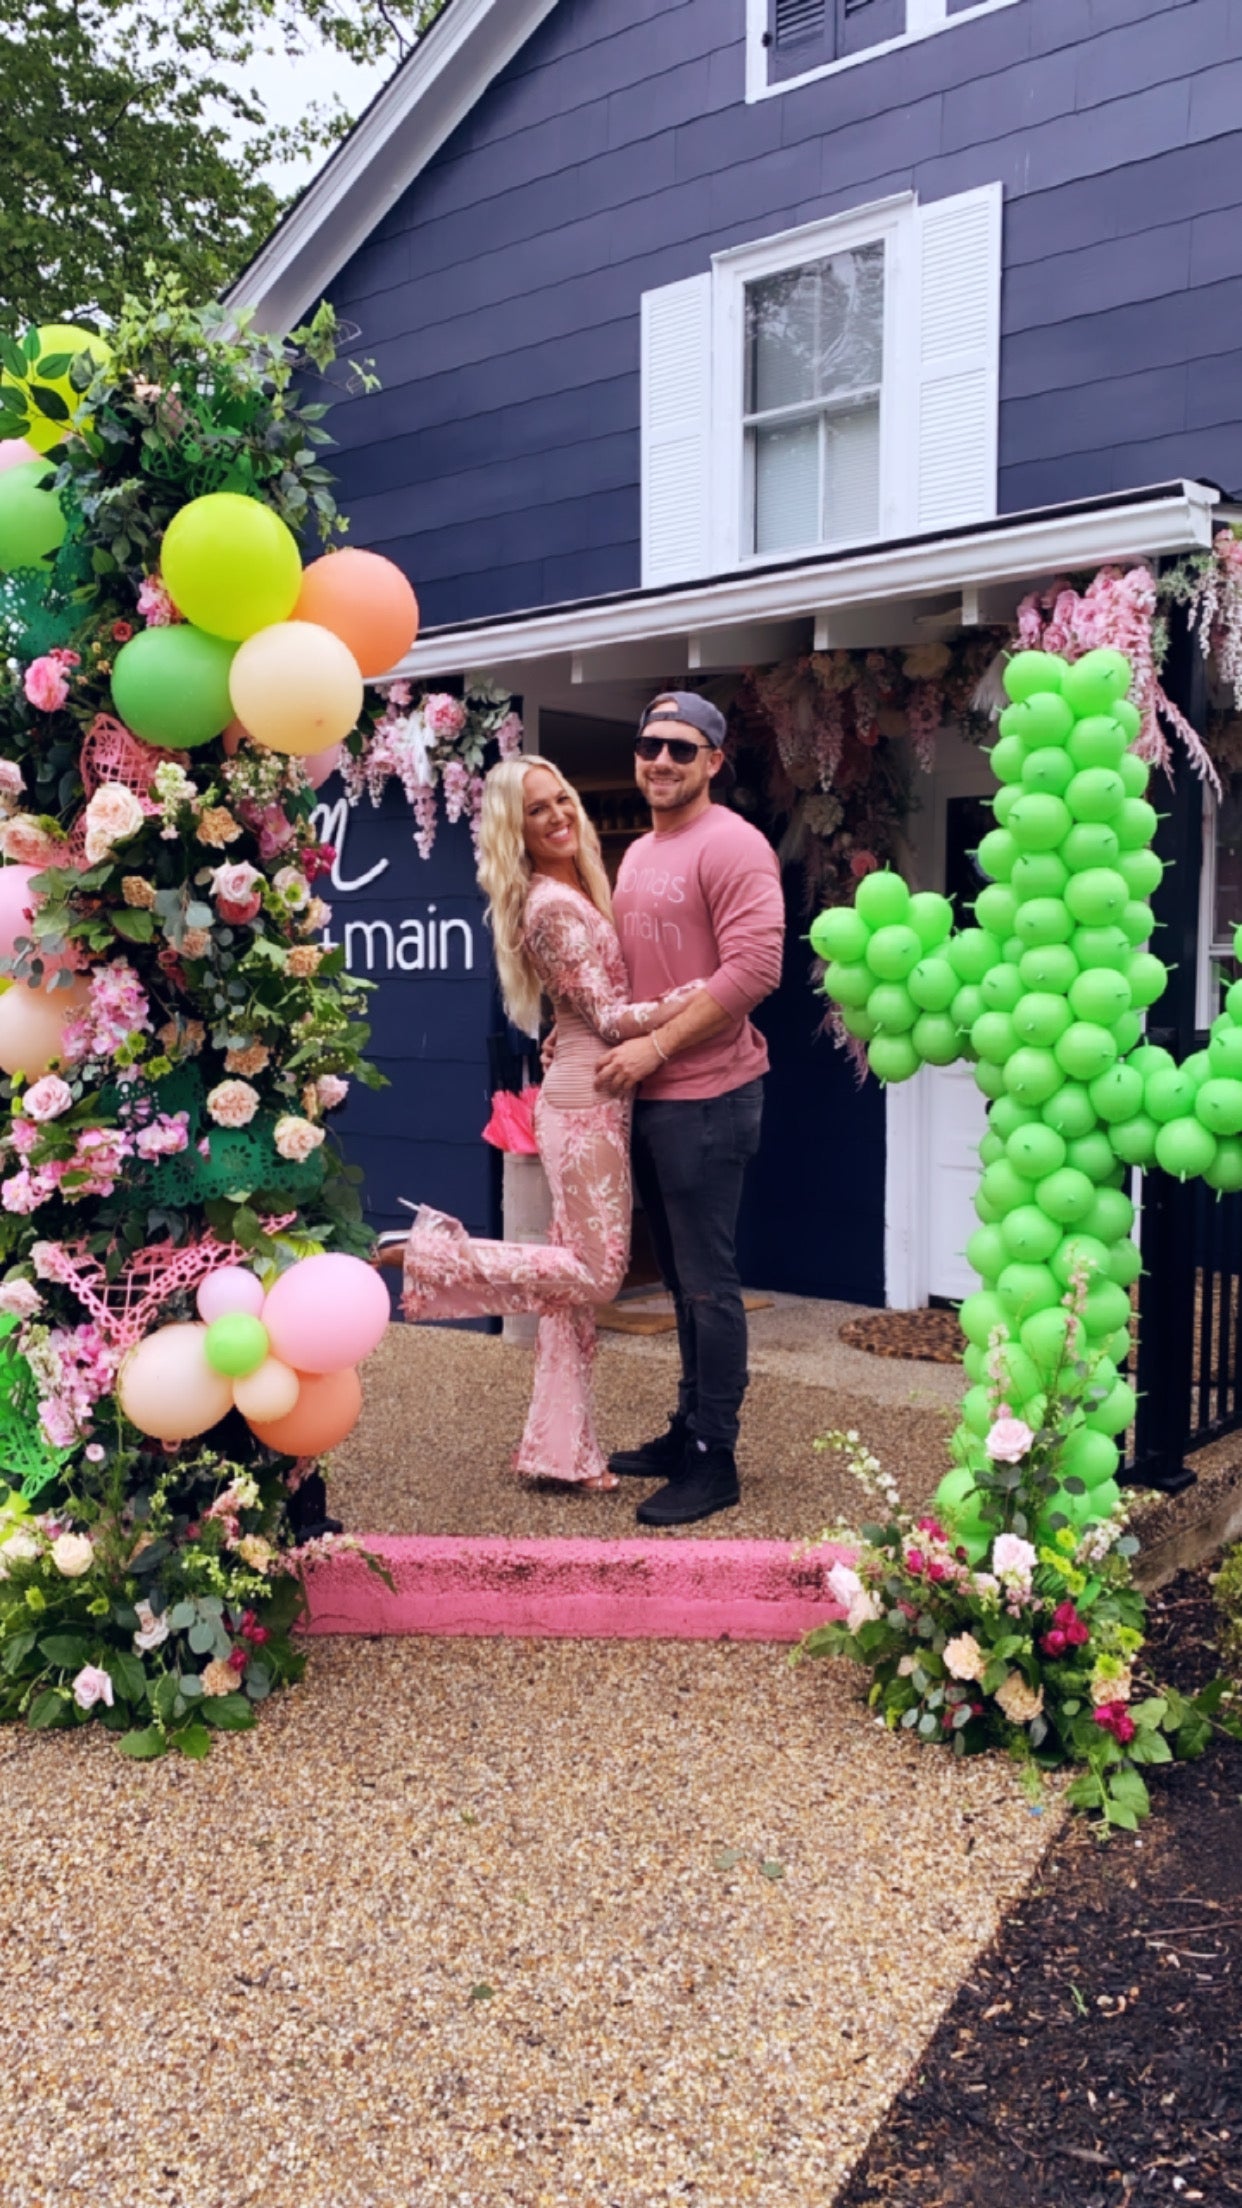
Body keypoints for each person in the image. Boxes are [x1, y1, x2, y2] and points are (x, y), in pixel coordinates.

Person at [376, 756, 700, 1491]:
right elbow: (611, 1018)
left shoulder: (580, 886)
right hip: (585, 1106)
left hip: (592, 1093)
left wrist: (566, 1024)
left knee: (568, 1290)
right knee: (597, 1274)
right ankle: (424, 1252)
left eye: (561, 800)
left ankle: (560, 1451)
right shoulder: (551, 905)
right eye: (537, 810)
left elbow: (584, 1006)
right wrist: (704, 993)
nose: (557, 816)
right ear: (513, 830)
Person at [594, 692, 785, 1527]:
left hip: (708, 1095)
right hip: (651, 1097)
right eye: (649, 746)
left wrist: (657, 1048)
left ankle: (715, 1459)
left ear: (713, 760)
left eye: (681, 748)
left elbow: (755, 971)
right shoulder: (639, 852)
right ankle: (688, 1429)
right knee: (678, 1281)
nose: (662, 761)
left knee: (708, 1284)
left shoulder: (733, 844)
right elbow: (633, 975)